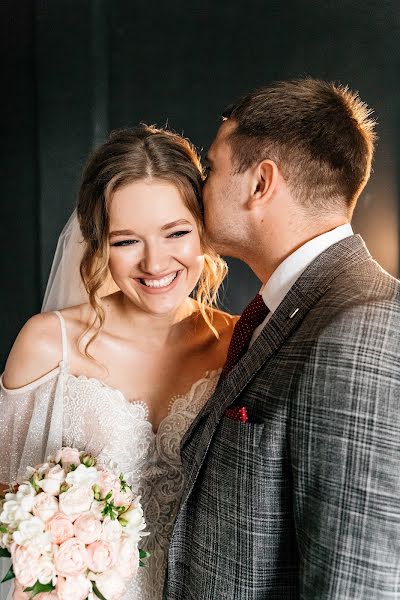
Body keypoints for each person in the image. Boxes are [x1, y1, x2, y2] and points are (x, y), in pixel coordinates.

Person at [165, 79, 400, 599]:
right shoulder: (286, 310)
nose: (200, 188)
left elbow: (356, 585)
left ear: (260, 183)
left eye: (213, 168)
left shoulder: (361, 329)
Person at [0, 125, 236, 599]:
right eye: (126, 241)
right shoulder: (48, 345)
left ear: (204, 231)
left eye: (176, 232)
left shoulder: (237, 344)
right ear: (97, 243)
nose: (154, 262)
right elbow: (6, 499)